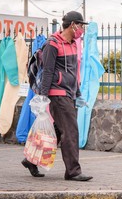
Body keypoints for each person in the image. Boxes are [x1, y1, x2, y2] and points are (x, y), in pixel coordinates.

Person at [21, 11, 92, 181]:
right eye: (81, 25)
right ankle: (73, 171)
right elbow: (47, 72)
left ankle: (31, 160)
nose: (82, 29)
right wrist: (42, 96)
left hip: (69, 93)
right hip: (57, 93)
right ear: (73, 24)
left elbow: (74, 73)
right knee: (71, 131)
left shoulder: (73, 43)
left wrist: (78, 93)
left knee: (57, 132)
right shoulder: (52, 44)